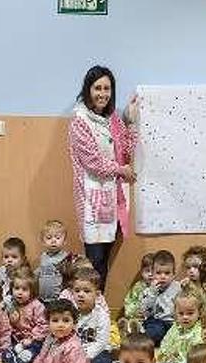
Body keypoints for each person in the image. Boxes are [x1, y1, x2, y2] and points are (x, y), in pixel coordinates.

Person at [68, 65, 138, 291]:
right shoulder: (80, 120)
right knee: (94, 263)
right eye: (97, 88)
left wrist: (131, 121)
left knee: (103, 262)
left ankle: (99, 312)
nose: (102, 93)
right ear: (88, 90)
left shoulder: (113, 119)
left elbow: (127, 150)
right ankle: (88, 313)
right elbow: (93, 162)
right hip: (91, 200)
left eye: (107, 88)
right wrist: (121, 170)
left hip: (112, 199)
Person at [0, 267, 48, 363]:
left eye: (24, 289)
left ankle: (23, 360)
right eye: (16, 288)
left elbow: (43, 326)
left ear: (32, 291)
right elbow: (4, 322)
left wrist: (31, 339)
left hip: (33, 339)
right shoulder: (11, 303)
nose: (19, 293)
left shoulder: (37, 306)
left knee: (36, 348)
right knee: (9, 349)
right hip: (17, 338)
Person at [141, 250, 181, 346]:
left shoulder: (178, 287)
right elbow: (145, 310)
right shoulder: (149, 289)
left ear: (173, 274)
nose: (163, 277)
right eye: (158, 273)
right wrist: (152, 293)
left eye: (167, 273)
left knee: (179, 335)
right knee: (154, 331)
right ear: (153, 274)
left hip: (173, 321)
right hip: (156, 320)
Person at [35, 220, 71, 303]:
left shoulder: (65, 257)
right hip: (42, 297)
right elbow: (41, 270)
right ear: (43, 241)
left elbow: (69, 277)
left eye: (57, 238)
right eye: (49, 238)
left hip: (57, 298)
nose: (53, 240)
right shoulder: (43, 256)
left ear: (64, 241)